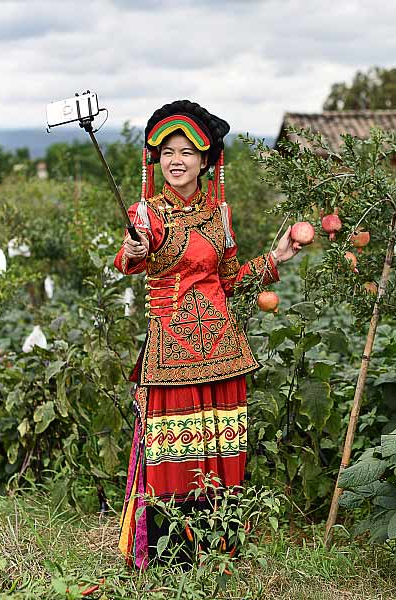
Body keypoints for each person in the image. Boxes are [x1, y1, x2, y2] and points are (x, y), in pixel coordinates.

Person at [115, 99, 303, 569]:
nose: (175, 161)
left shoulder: (220, 214)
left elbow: (230, 279)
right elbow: (130, 258)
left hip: (223, 351)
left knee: (220, 452)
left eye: (186, 152)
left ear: (206, 160)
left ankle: (218, 547)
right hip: (171, 354)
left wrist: (275, 258)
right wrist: (135, 248)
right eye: (166, 152)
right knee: (173, 457)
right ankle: (169, 557)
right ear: (155, 160)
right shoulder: (148, 213)